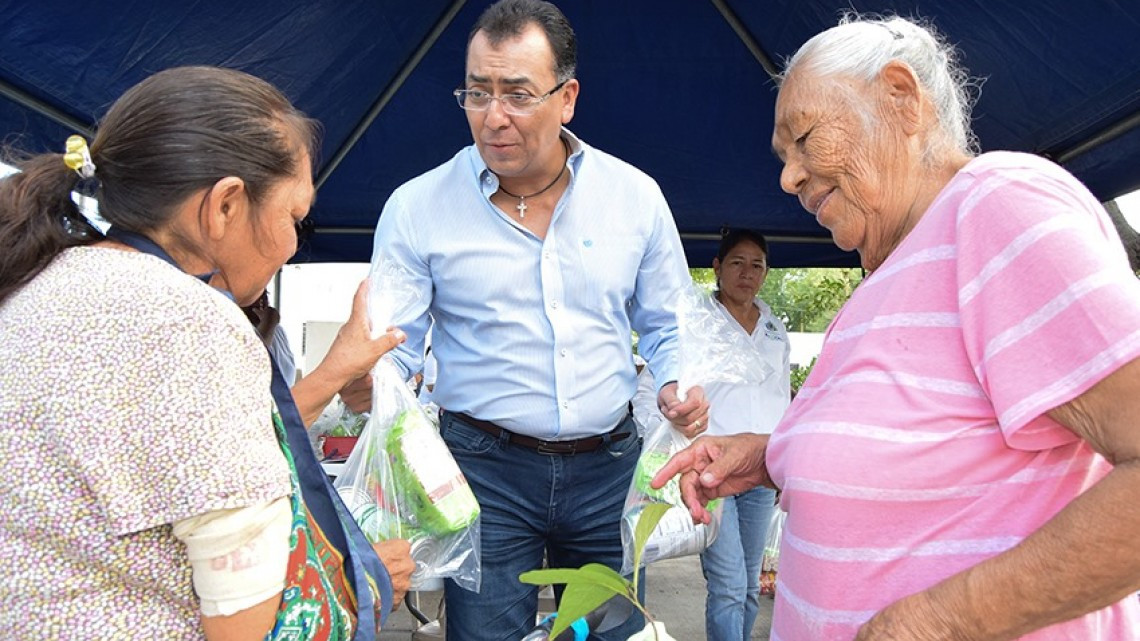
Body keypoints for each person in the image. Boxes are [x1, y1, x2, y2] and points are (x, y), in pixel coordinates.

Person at [653, 14, 1140, 641]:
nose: (788, 177)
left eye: (804, 139)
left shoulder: (998, 203)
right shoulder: (890, 273)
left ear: (901, 98)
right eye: (784, 157)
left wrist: (937, 621)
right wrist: (768, 456)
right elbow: (917, 443)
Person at [0, 66, 412, 640]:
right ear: (225, 206)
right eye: (295, 218)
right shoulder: (192, 320)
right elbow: (247, 619)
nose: (292, 246)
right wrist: (359, 587)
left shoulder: (33, 285)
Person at [370, 1, 707, 638]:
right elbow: (392, 351)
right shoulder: (417, 208)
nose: (493, 116)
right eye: (477, 93)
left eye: (518, 95)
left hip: (608, 468)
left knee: (613, 629)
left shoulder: (634, 198)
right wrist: (375, 386)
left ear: (567, 98)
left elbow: (669, 323)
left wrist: (674, 382)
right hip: (483, 473)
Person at [697, 229, 788, 641]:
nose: (747, 273)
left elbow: (781, 397)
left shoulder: (774, 329)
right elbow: (662, 388)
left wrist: (784, 461)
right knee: (729, 584)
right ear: (717, 267)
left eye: (757, 265)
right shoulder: (698, 323)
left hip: (760, 470)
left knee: (750, 585)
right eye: (737, 263)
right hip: (714, 470)